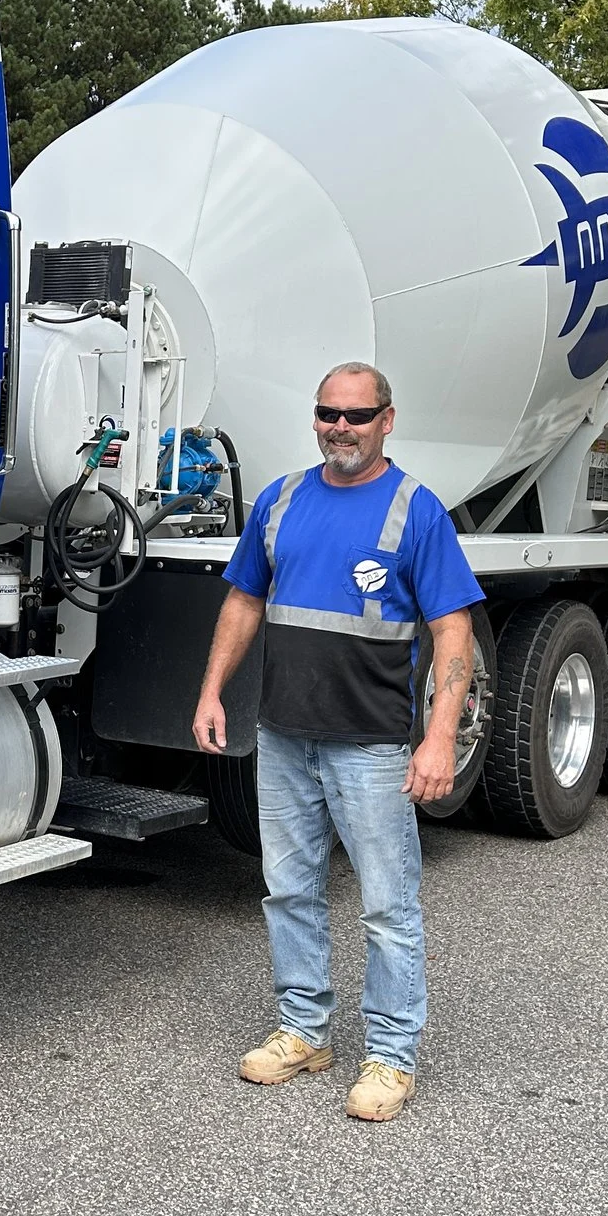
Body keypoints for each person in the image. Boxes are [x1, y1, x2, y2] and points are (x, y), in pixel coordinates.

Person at [192, 362, 482, 1123]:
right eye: (329, 413)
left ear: (388, 418)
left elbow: (454, 630)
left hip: (373, 744)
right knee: (288, 888)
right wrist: (211, 688)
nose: (341, 427)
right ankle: (305, 1032)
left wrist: (440, 737)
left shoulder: (415, 510)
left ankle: (390, 1056)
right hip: (284, 735)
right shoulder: (281, 500)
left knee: (387, 906)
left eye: (357, 415)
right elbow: (245, 598)